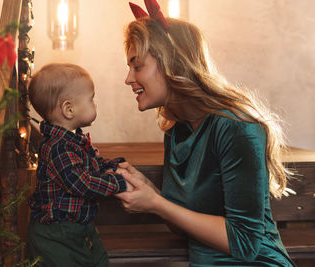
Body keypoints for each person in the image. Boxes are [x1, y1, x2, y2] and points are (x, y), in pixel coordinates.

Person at [115, 0, 295, 266]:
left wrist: (157, 203)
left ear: (171, 63)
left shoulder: (237, 128)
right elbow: (184, 225)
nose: (128, 78)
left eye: (137, 65)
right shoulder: (177, 132)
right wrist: (151, 193)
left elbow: (245, 244)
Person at [27, 63, 129, 267]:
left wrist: (108, 166)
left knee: (99, 260)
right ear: (69, 109)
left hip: (78, 226)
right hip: (57, 233)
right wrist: (117, 183)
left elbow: (90, 163)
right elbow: (79, 182)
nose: (95, 104)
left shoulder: (73, 140)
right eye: (91, 99)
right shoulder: (58, 148)